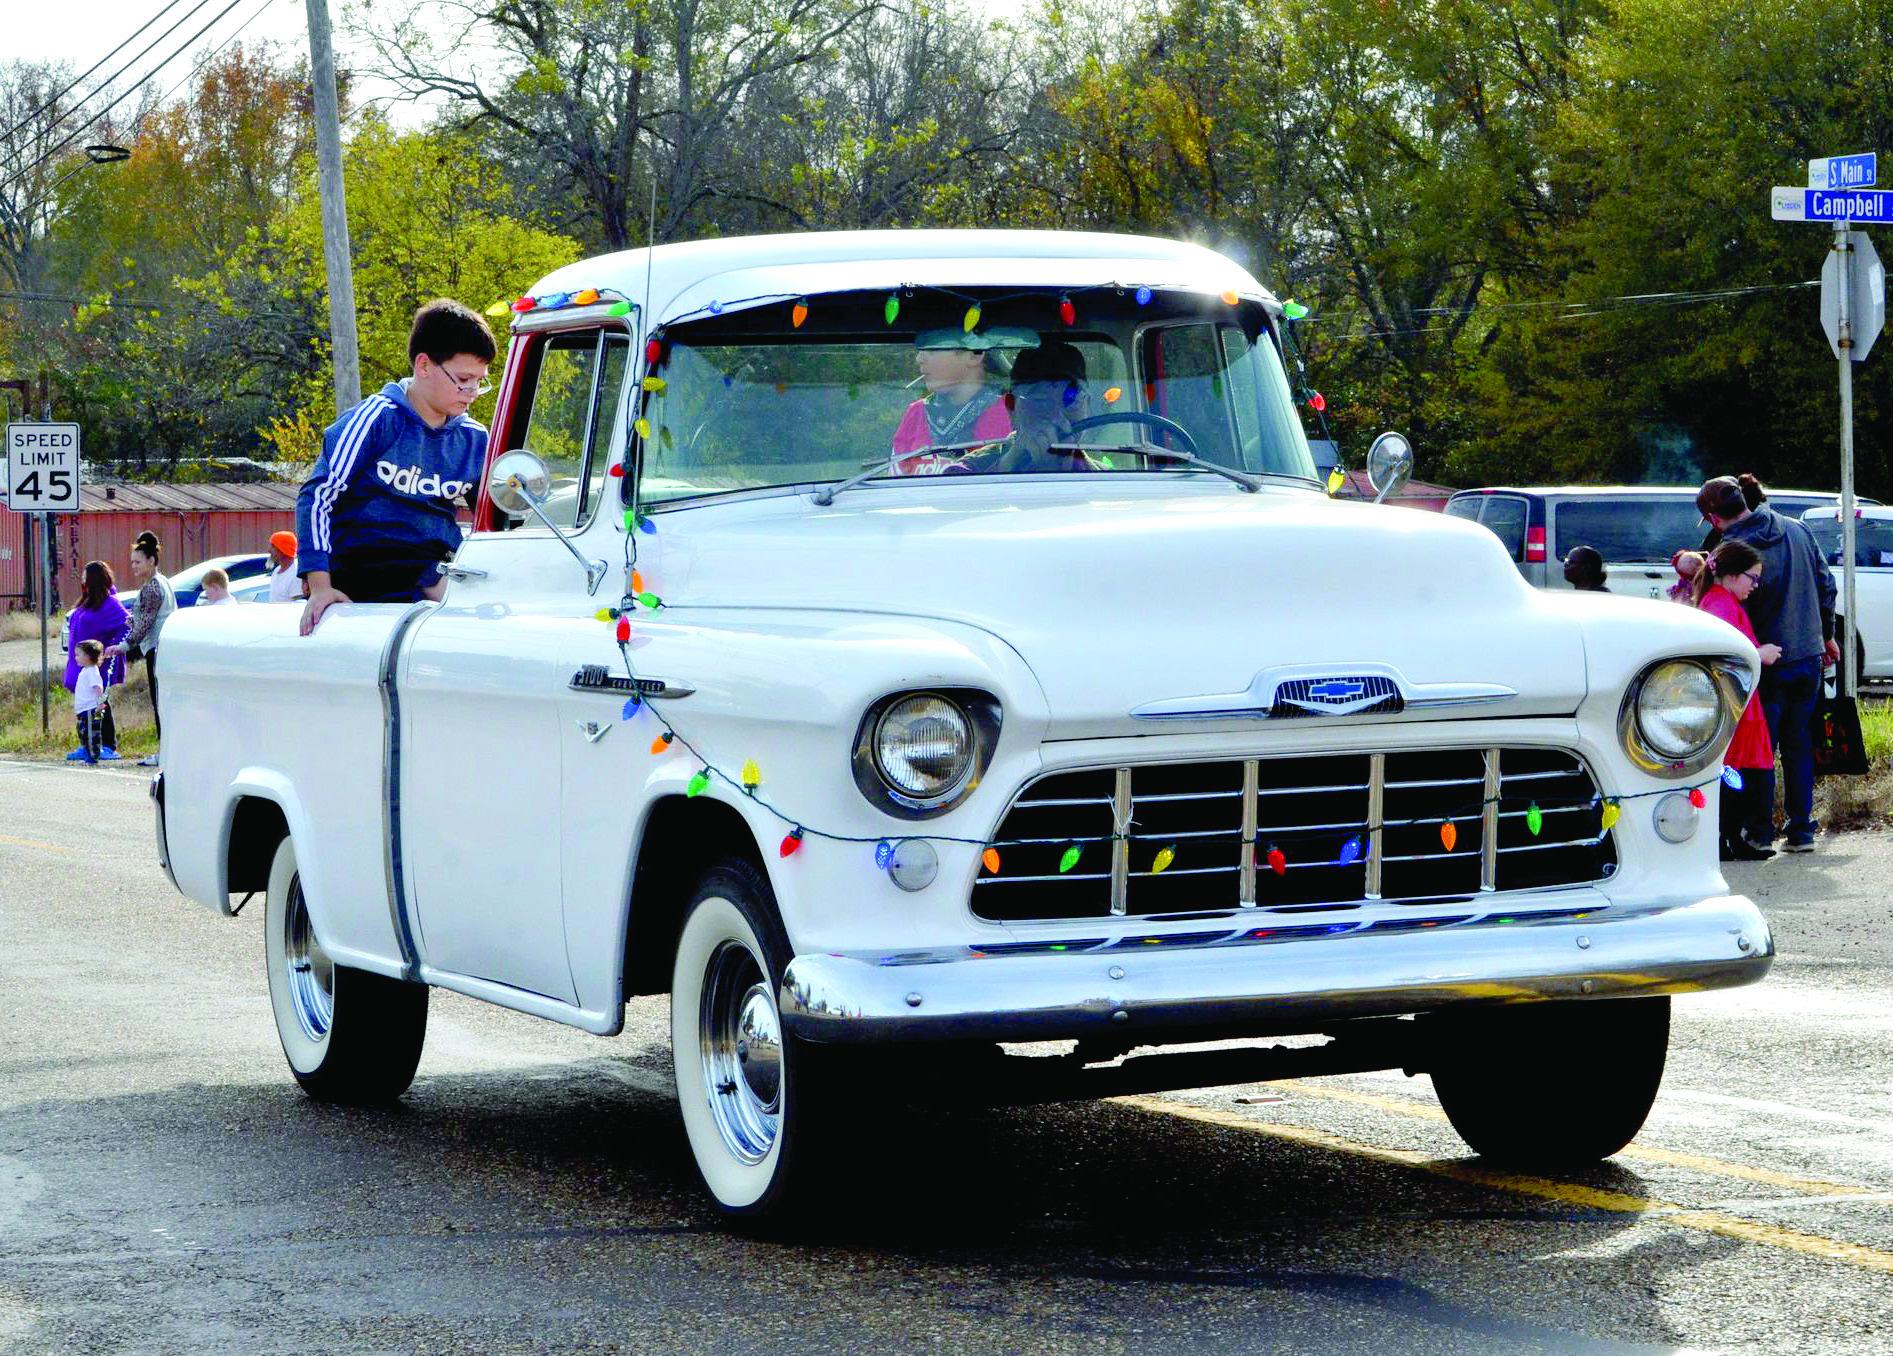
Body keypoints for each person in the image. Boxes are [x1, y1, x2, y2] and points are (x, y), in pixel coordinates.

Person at [297, 299, 496, 634]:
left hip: (435, 564)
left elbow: (497, 523)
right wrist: (319, 586)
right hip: (366, 563)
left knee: (481, 595)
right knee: (436, 586)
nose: (473, 392)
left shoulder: (475, 439)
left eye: (480, 381)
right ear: (424, 365)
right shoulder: (375, 420)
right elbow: (317, 497)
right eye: (464, 379)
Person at [1697, 474, 1839, 852]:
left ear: (1713, 518)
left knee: (1759, 751)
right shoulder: (1798, 529)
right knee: (1799, 745)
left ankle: (1758, 832)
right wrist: (1826, 634)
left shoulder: (1729, 549)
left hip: (1763, 660)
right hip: (1808, 655)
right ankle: (1801, 831)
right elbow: (1827, 584)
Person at [1692, 541, 1780, 860]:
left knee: (1739, 773)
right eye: (1752, 578)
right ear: (1731, 575)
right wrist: (1761, 654)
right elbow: (1721, 652)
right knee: (1737, 774)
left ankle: (1730, 838)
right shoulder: (1721, 604)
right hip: (1733, 703)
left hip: (1738, 701)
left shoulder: (1721, 600)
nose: (1754, 586)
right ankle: (1726, 838)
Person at [956, 339, 1099, 475]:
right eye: (1040, 400)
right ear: (1011, 407)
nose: (1057, 416)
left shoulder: (1108, 480)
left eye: (1071, 399)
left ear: (1087, 405)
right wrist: (1007, 466)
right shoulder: (962, 474)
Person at [890, 330, 1013, 475]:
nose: (919, 358)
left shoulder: (1013, 410)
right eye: (920, 350)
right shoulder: (916, 412)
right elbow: (898, 481)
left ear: (975, 354)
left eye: (932, 349)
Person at [104, 531, 175, 768]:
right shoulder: (162, 582)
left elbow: (145, 624)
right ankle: (167, 750)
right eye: (132, 561)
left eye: (138, 561)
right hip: (163, 647)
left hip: (158, 648)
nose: (133, 566)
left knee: (160, 704)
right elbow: (144, 618)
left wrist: (123, 646)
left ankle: (164, 753)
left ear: (152, 561)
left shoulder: (153, 587)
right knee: (162, 702)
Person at [62, 560, 127, 760]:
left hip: (97, 665)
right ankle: (87, 744)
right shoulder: (88, 600)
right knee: (84, 706)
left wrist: (113, 646)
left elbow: (126, 624)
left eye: (85, 575)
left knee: (99, 702)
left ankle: (107, 745)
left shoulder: (110, 603)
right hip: (81, 662)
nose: (82, 578)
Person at [68, 640, 108, 765]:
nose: (76, 657)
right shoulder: (85, 670)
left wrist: (100, 704)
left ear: (88, 656)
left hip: (91, 709)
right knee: (83, 733)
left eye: (78, 654)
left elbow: (98, 688)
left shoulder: (92, 671)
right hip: (83, 710)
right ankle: (87, 754)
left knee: (92, 734)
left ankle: (92, 757)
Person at [265, 530, 302, 603]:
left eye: (273, 546)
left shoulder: (296, 574)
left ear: (283, 550)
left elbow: (298, 606)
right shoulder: (276, 571)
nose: (269, 550)